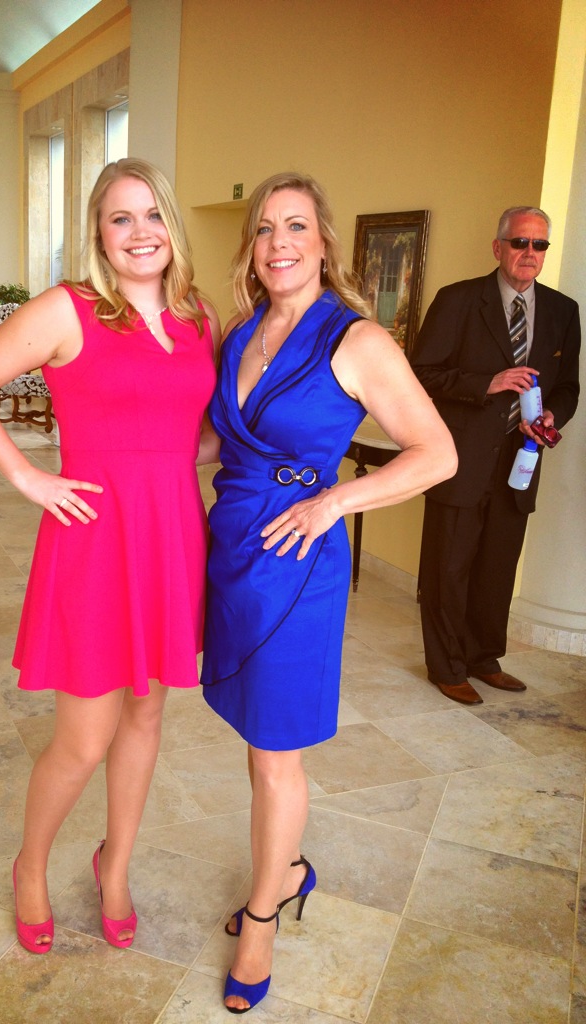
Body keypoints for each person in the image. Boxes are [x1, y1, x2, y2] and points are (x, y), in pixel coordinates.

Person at [0, 158, 219, 954]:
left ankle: (115, 867)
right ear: (99, 231)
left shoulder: (198, 316)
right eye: (121, 217)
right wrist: (27, 476)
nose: (140, 232)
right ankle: (30, 866)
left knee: (147, 712)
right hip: (94, 538)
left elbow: (196, 434)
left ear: (172, 225)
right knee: (84, 737)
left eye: (153, 214)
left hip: (171, 533)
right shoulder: (69, 309)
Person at [199, 172, 457, 1013]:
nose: (279, 243)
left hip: (299, 559)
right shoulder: (242, 332)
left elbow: (438, 453)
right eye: (265, 228)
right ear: (252, 245)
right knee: (255, 734)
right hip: (233, 549)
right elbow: (214, 444)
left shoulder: (358, 340)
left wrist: (335, 501)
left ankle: (263, 918)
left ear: (324, 243)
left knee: (279, 749)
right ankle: (287, 869)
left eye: (296, 227)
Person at [411, 206, 580, 706]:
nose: (530, 253)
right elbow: (420, 374)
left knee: (497, 569)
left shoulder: (563, 311)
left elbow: (568, 386)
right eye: (520, 242)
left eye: (539, 245)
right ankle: (446, 666)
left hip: (521, 460)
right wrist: (489, 382)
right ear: (498, 247)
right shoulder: (458, 300)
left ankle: (484, 658)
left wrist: (551, 415)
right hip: (460, 460)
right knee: (447, 569)